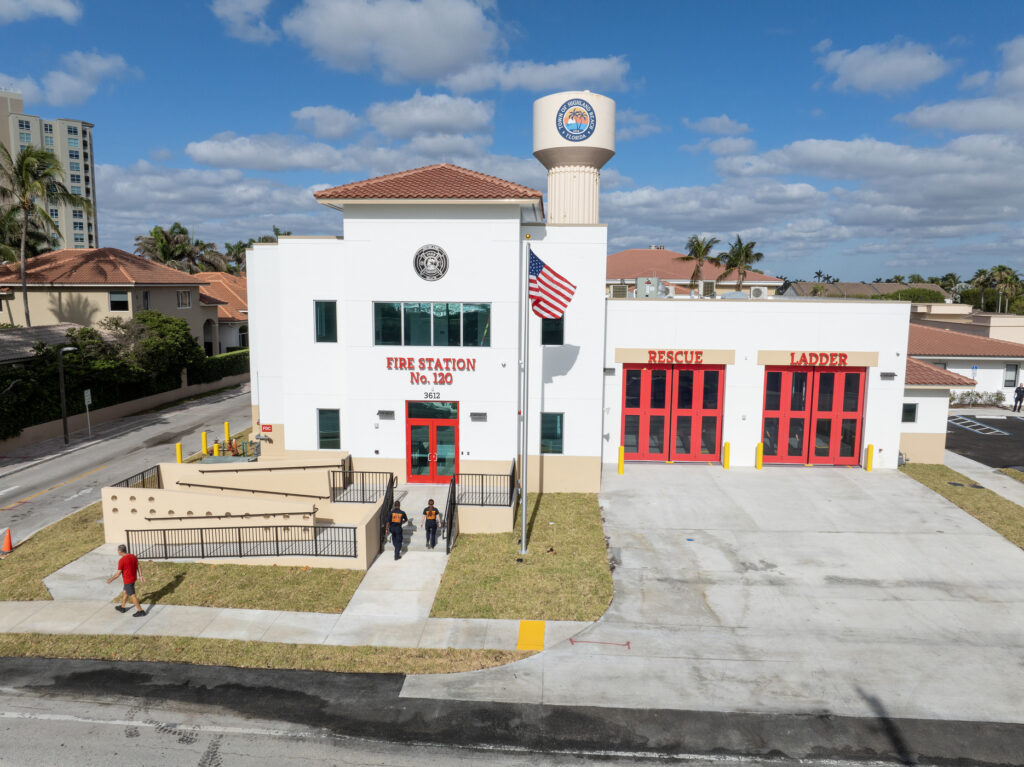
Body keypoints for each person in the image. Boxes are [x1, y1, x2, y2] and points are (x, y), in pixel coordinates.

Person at [107, 544, 146, 616]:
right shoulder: (133, 556)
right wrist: (140, 575)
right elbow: (138, 565)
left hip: (128, 581)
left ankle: (141, 611)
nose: (117, 552)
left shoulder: (121, 560)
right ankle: (122, 607)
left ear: (120, 551)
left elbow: (118, 574)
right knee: (125, 592)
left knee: (132, 595)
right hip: (133, 578)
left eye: (118, 551)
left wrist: (111, 579)